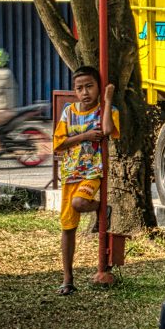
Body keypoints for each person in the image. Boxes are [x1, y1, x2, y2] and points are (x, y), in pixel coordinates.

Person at [52, 66, 119, 296]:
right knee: (67, 227)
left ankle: (101, 207)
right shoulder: (68, 112)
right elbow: (58, 143)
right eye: (79, 88)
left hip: (92, 172)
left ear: (99, 87)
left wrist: (108, 101)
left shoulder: (105, 110)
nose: (85, 92)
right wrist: (85, 136)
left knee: (79, 203)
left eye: (89, 86)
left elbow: (108, 130)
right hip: (70, 174)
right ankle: (67, 279)